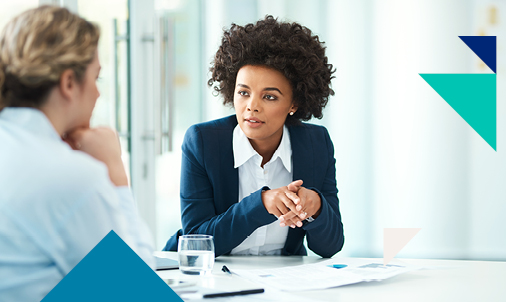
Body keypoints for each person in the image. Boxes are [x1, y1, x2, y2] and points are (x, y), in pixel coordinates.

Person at [0, 6, 154, 301]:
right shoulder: (69, 176)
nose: (97, 94)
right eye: (96, 78)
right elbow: (138, 291)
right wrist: (115, 171)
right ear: (69, 83)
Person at [164, 16, 344, 257]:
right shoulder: (202, 142)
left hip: (283, 281)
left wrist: (318, 207)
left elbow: (330, 247)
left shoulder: (316, 143)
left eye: (269, 96)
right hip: (212, 275)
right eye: (243, 92)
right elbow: (197, 240)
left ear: (294, 103)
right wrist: (261, 204)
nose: (251, 106)